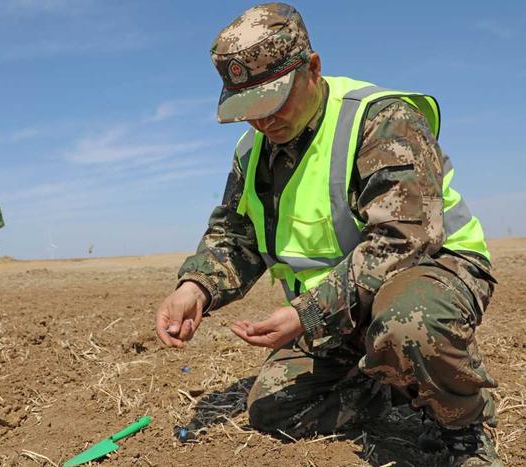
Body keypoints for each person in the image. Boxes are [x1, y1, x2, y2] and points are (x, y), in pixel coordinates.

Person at [154, 3, 502, 466]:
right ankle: (393, 388)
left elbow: (403, 240)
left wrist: (308, 313)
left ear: (311, 69)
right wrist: (194, 287)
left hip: (429, 275)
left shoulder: (383, 120)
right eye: (248, 110)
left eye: (272, 102)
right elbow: (235, 234)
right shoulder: (253, 151)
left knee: (408, 323)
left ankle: (464, 428)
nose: (261, 122)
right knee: (273, 407)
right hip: (343, 307)